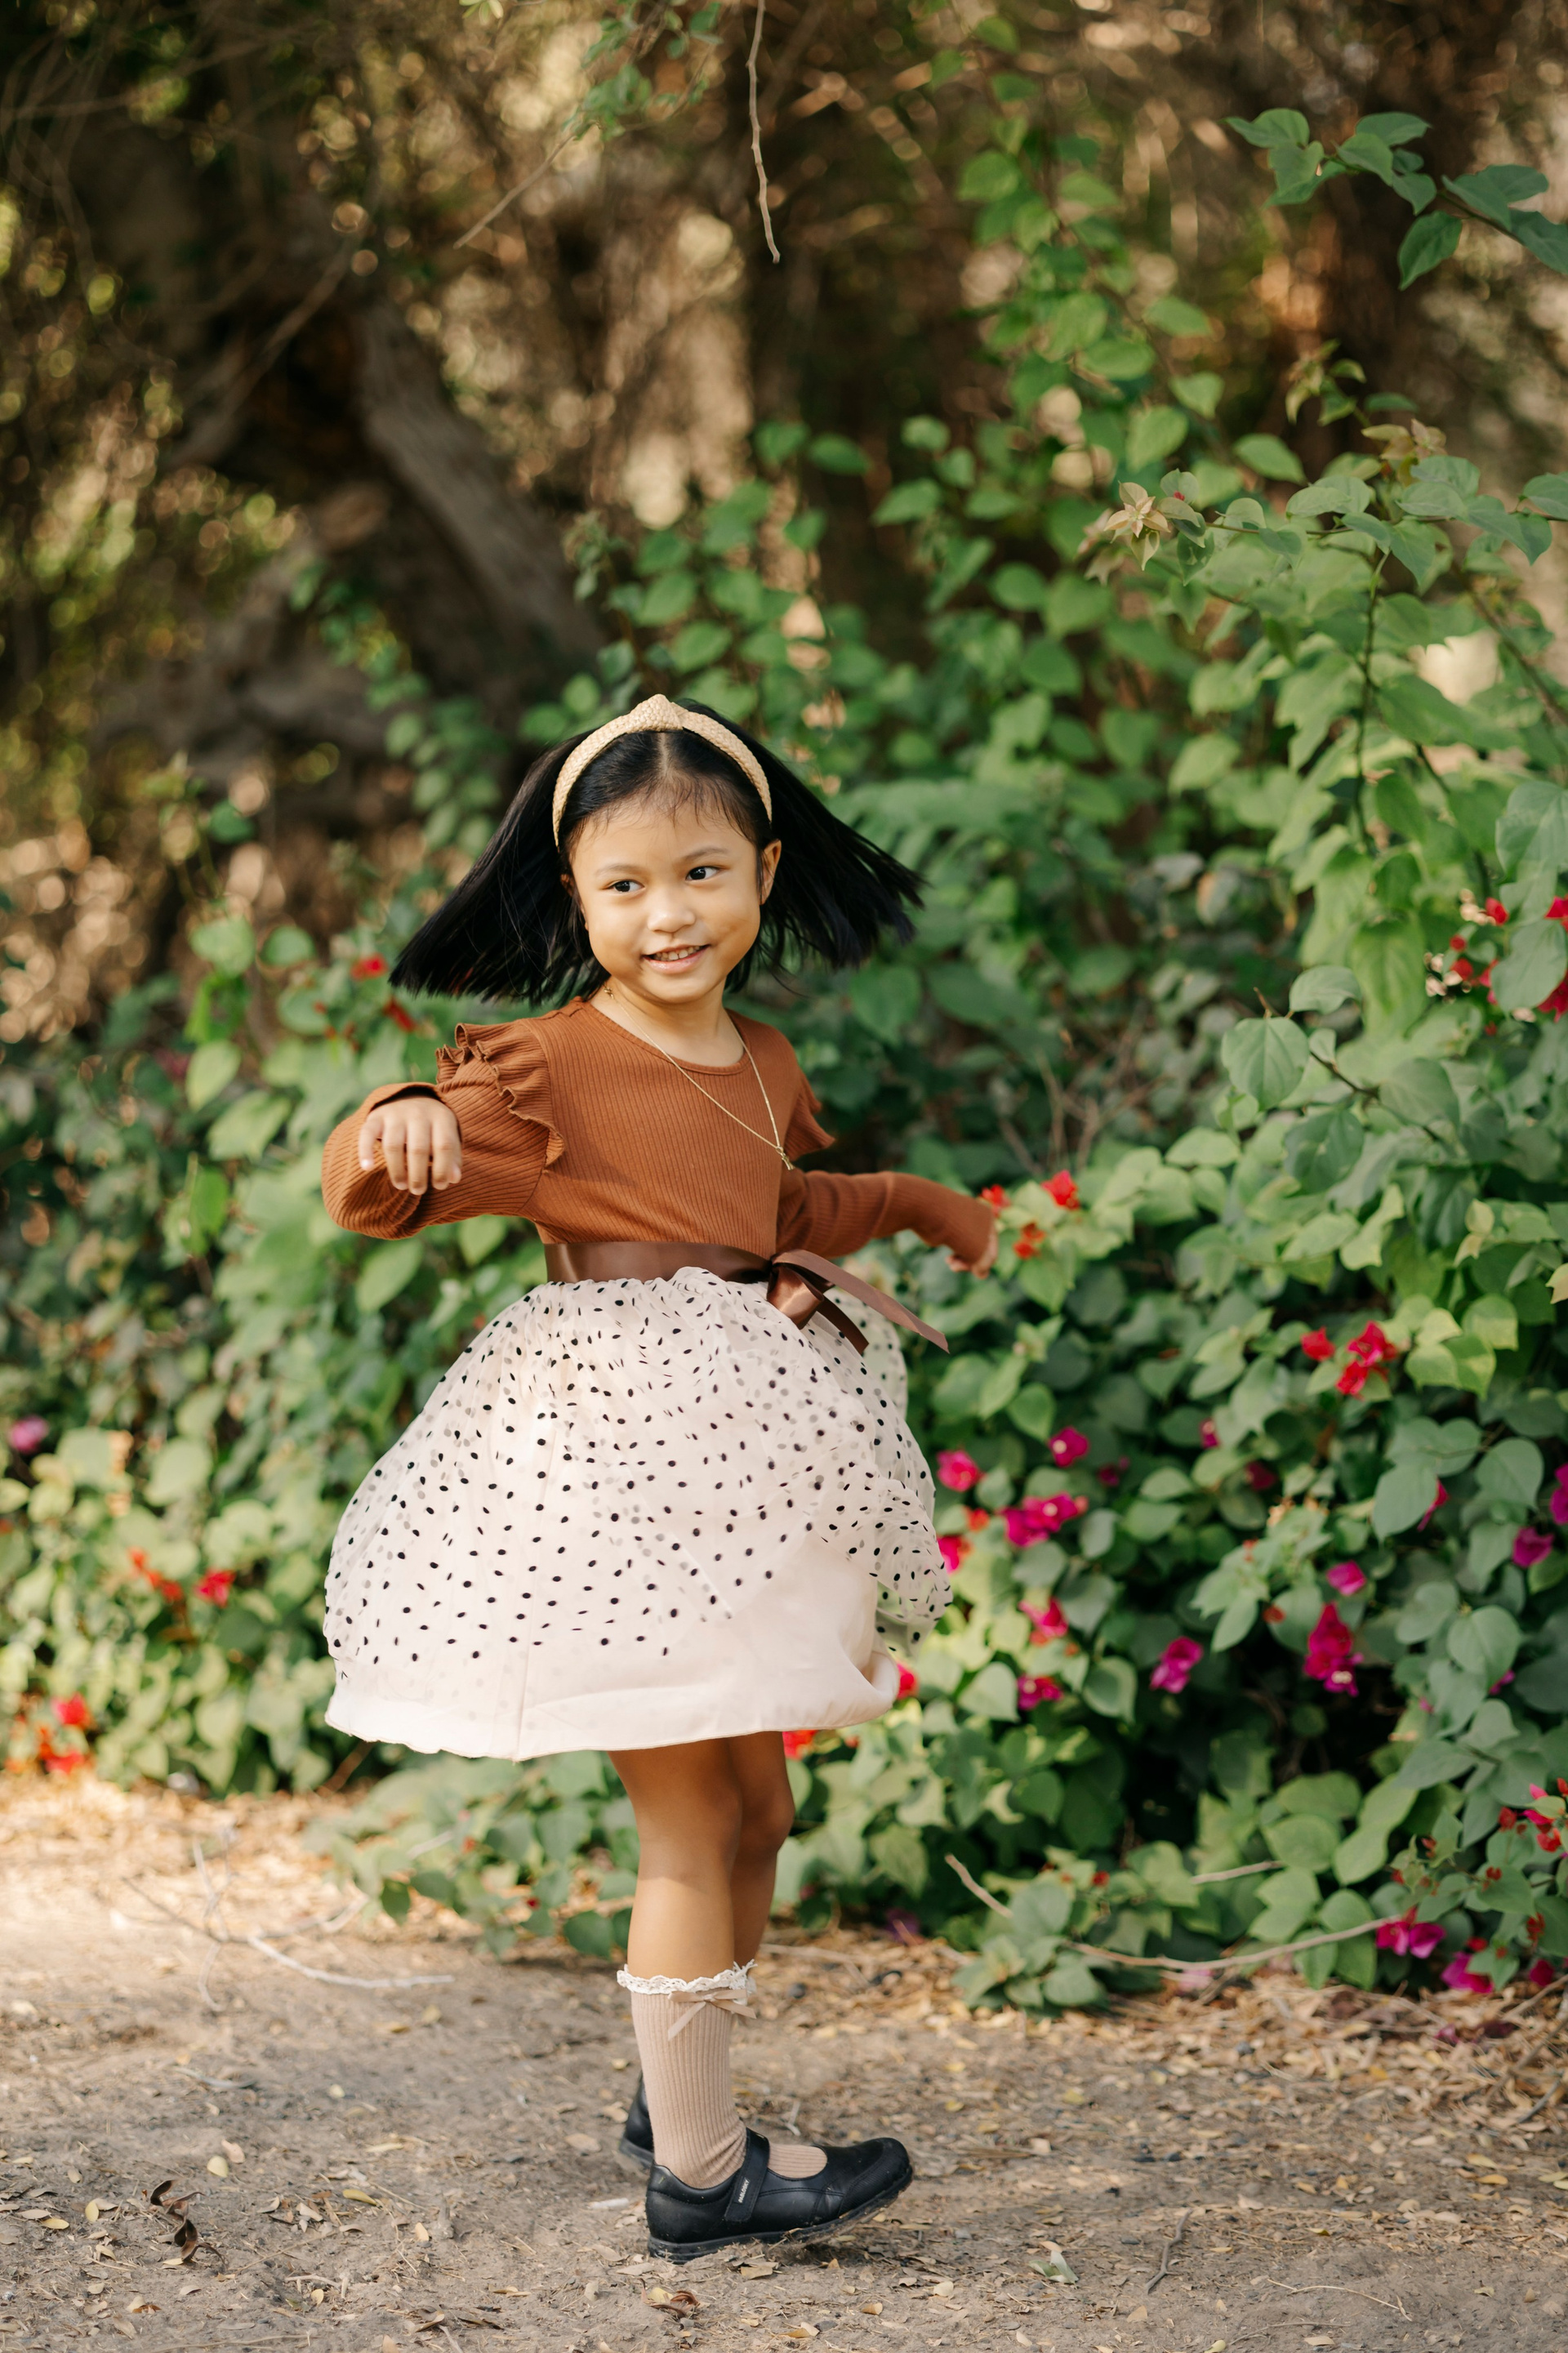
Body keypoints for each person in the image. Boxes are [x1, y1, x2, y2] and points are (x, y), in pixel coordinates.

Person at [319, 693, 996, 2259]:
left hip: (745, 1468)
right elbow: (386, 1181)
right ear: (575, 896)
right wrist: (395, 1119)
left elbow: (779, 1205)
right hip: (617, 1478)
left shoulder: (760, 1055)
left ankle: (672, 2088)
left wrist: (911, 1201)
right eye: (624, 884)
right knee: (691, 1812)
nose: (667, 914)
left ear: (763, 875)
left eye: (700, 874)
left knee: (761, 1800)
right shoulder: (549, 1066)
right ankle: (700, 2174)